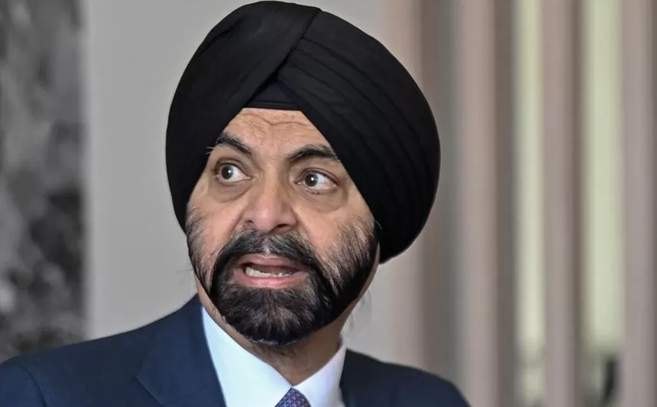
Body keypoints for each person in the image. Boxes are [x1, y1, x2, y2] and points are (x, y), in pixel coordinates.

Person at [0, 2, 469, 406]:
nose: (265, 215)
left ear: (381, 218)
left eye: (314, 179)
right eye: (230, 172)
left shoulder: (430, 401)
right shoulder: (43, 397)